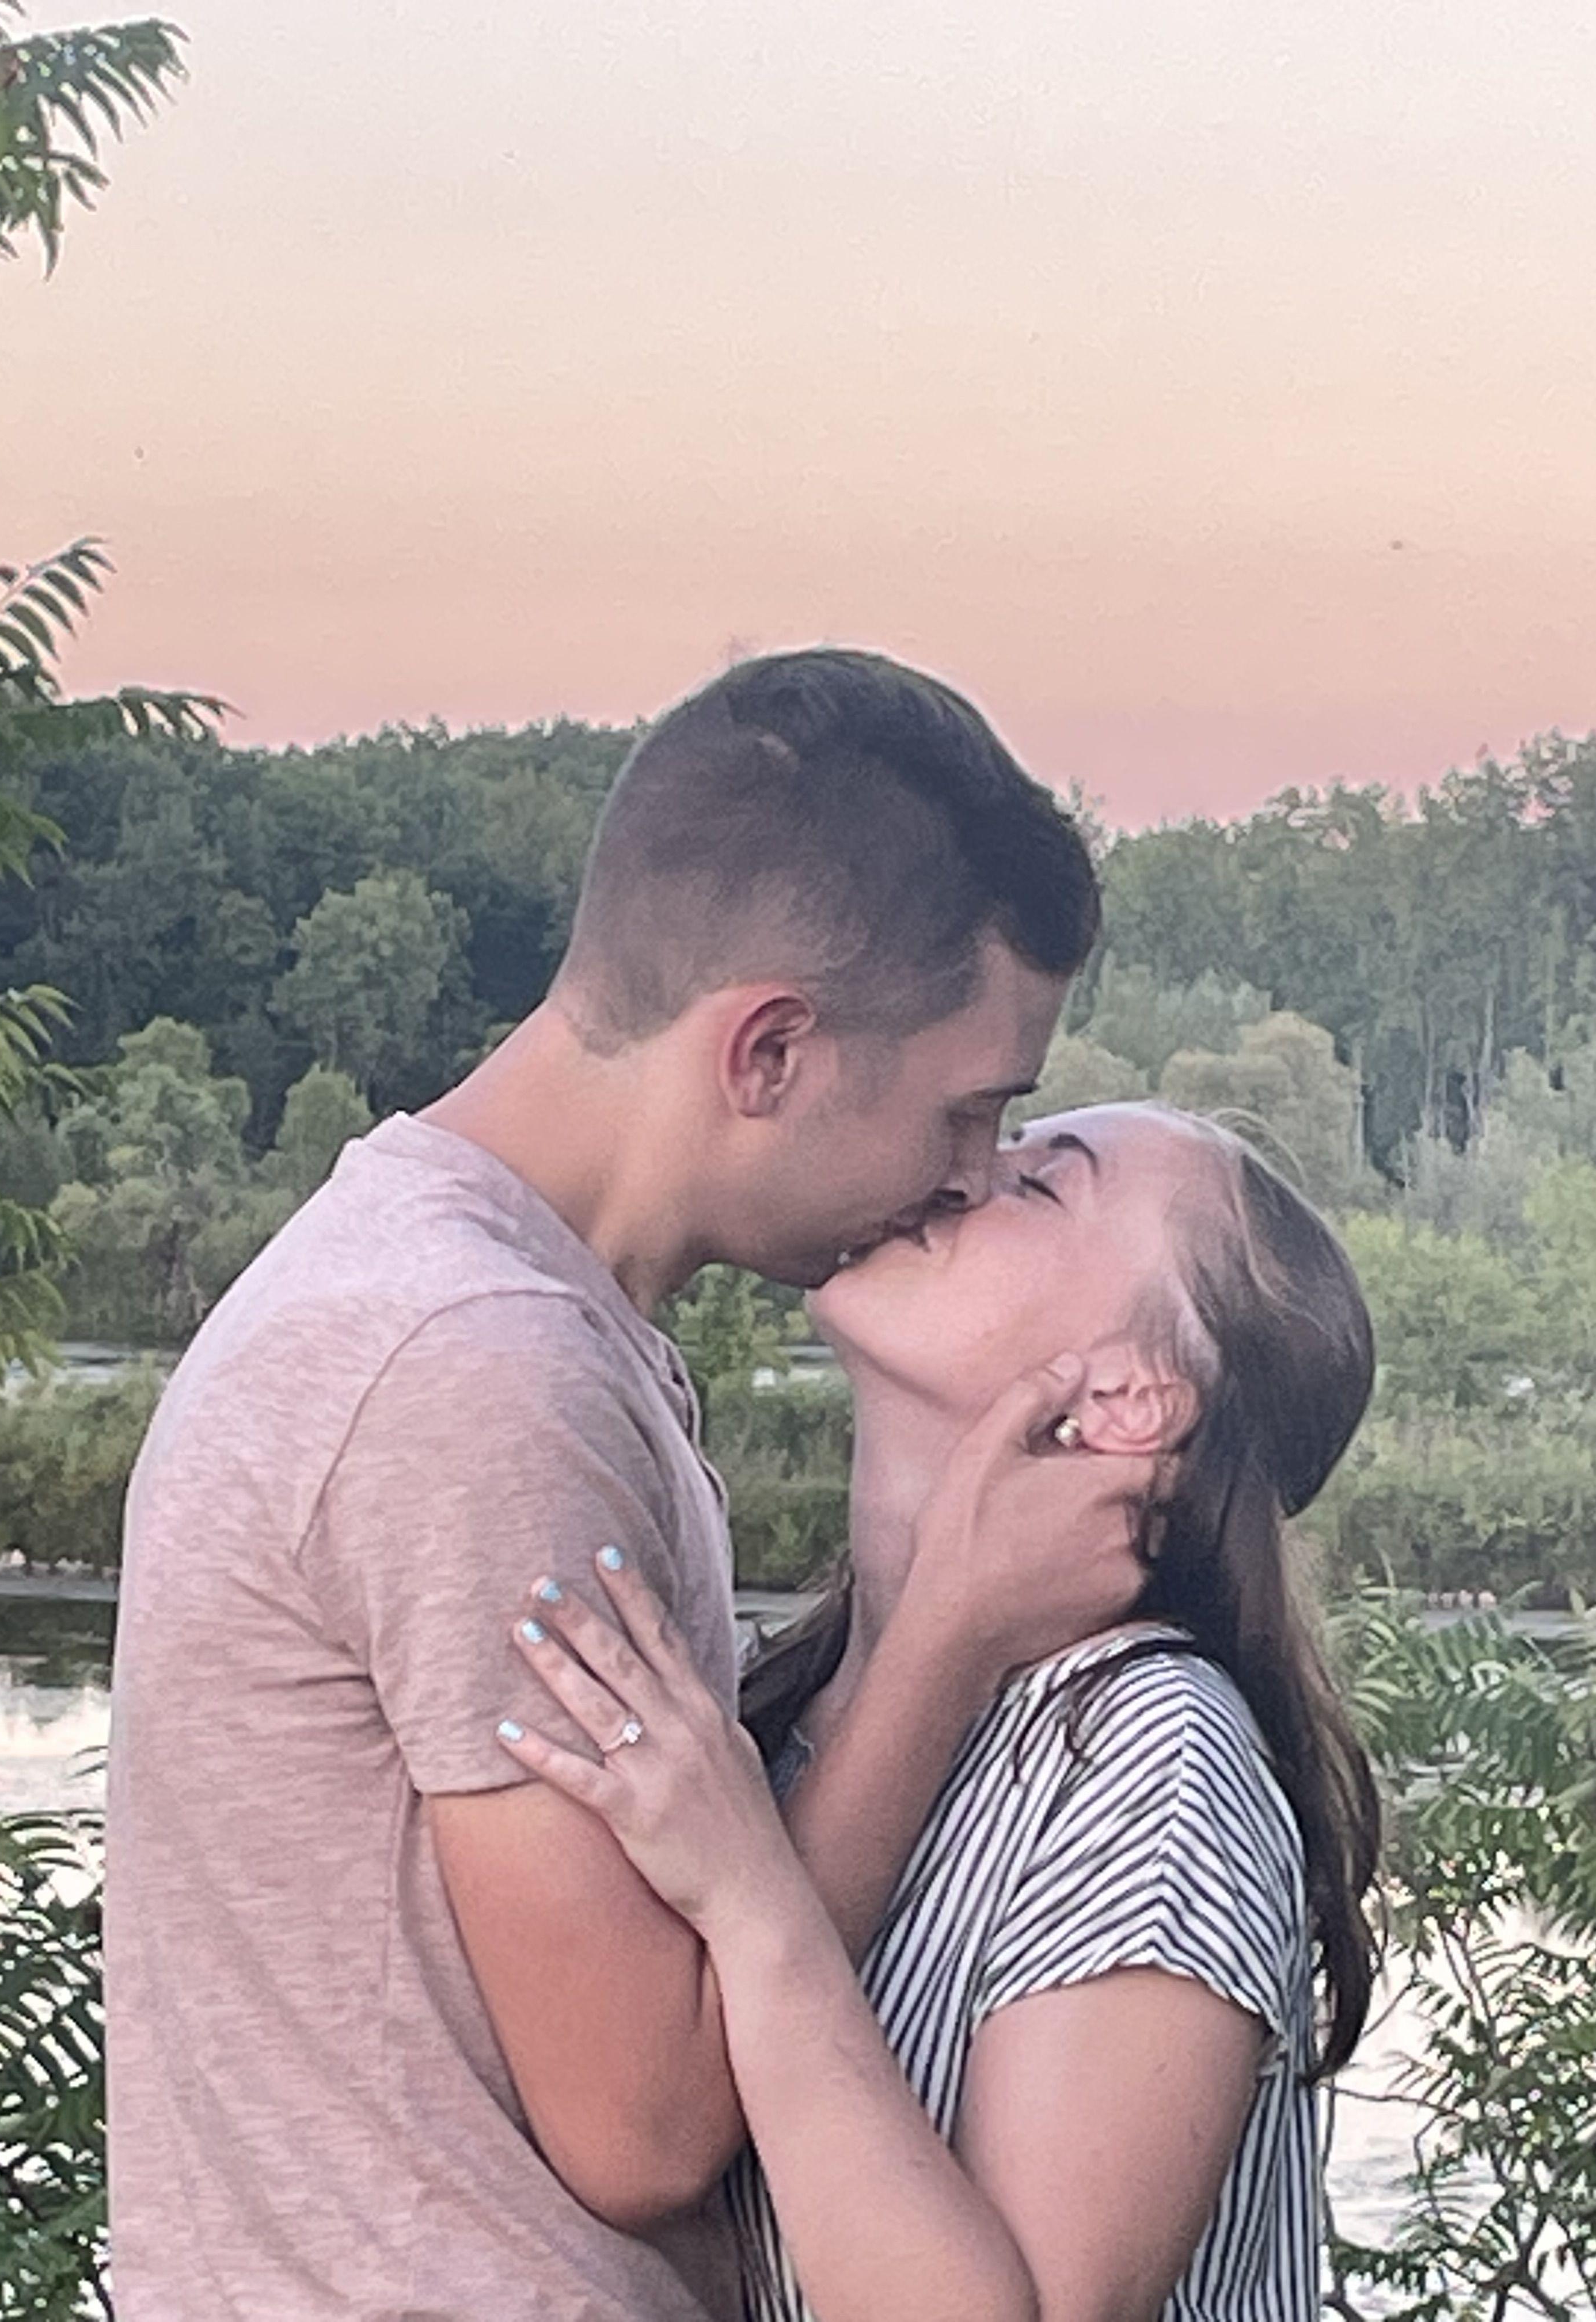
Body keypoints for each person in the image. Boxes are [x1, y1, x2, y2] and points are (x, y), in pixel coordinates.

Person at [104, 650, 1162, 2321]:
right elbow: (648, 2122)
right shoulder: (478, 1371)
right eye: (970, 1111)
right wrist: (942, 1642)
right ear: (769, 1052)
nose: (974, 1179)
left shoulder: (478, 1310)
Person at [497, 1102, 1383, 2322]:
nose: (960, 1169)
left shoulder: (1153, 1758)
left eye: (1039, 1184)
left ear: (1130, 1400)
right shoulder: (773, 1707)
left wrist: (758, 1906)